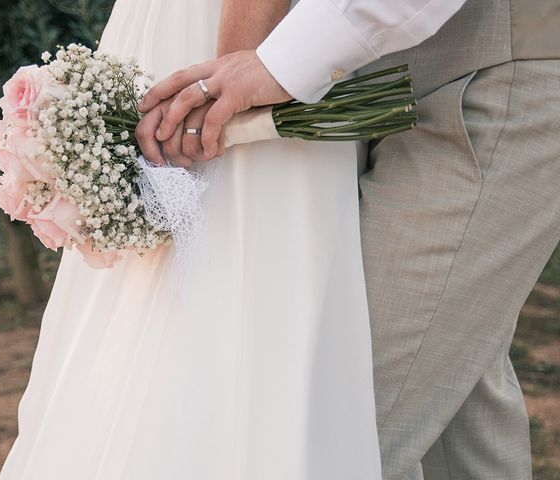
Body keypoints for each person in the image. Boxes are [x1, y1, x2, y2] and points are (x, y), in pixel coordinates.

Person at [138, 0, 560, 478]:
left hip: (493, 63)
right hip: (374, 79)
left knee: (329, 427)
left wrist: (280, 63)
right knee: (457, 410)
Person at [0, 0, 383, 478]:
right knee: (227, 298)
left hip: (210, 44)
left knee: (170, 302)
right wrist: (224, 89)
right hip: (222, 47)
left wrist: (227, 80)